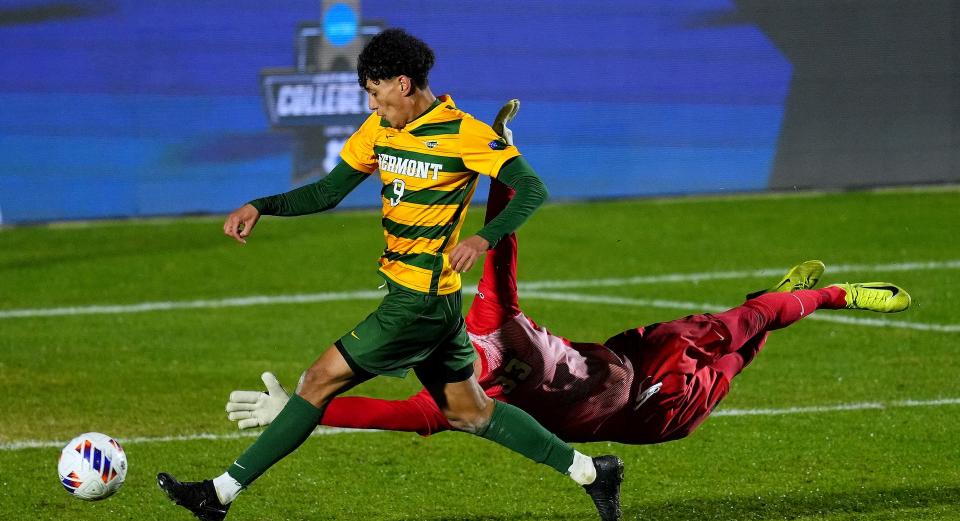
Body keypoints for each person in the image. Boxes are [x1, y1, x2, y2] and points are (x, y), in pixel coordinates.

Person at [157, 29, 624, 521]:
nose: (374, 106)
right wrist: (261, 205)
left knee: (316, 381)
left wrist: (484, 239)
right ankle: (591, 472)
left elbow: (533, 188)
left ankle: (219, 494)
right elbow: (329, 191)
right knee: (471, 413)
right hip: (433, 304)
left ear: (404, 84)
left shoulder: (462, 133)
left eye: (377, 94)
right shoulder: (381, 131)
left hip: (418, 302)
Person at [225, 104, 912, 448]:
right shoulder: (467, 391)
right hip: (647, 408)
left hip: (622, 352)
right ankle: (789, 302)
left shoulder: (482, 327)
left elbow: (502, 253)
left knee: (731, 324)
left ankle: (821, 295)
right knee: (738, 349)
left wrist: (498, 161)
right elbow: (396, 417)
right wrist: (302, 410)